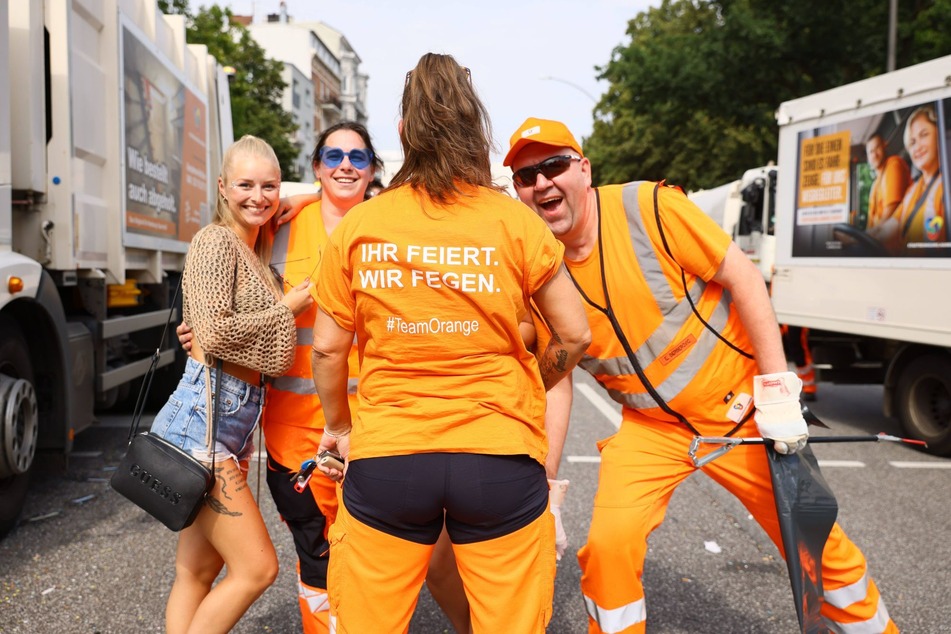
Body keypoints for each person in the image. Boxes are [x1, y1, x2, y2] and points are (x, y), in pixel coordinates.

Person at [504, 117, 897, 634]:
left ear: (584, 168)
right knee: (606, 550)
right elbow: (558, 381)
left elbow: (744, 277)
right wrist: (549, 488)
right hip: (652, 430)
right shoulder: (537, 263)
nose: (541, 183)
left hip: (739, 411)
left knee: (817, 544)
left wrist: (776, 392)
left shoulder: (648, 208)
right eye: (526, 176)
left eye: (553, 166)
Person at [310, 54, 591, 633]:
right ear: (476, 126)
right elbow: (575, 333)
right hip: (498, 457)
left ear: (403, 132)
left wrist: (339, 426)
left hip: (388, 458)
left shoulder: (363, 226)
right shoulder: (514, 222)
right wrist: (526, 383)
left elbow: (328, 351)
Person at [152, 134, 313, 633]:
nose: (258, 197)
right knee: (258, 568)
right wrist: (287, 308)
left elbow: (212, 329)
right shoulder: (216, 241)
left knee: (197, 571)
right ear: (222, 187)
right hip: (203, 423)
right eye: (245, 185)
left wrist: (292, 200)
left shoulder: (253, 245)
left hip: (226, 422)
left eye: (269, 186)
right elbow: (216, 332)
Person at [895, 104, 945, 247]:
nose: (917, 147)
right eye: (912, 142)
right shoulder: (912, 191)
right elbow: (887, 229)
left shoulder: (946, 185)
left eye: (923, 135)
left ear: (939, 135)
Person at [865, 133, 911, 231]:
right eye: (870, 152)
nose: (874, 155)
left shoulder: (893, 165)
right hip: (877, 238)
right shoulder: (875, 184)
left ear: (884, 146)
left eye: (877, 148)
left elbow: (889, 216)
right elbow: (870, 224)